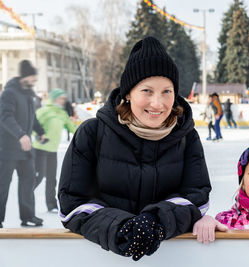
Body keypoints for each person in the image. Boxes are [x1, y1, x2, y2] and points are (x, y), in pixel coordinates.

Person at [57, 36, 212, 261]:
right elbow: (72, 205)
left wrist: (156, 221)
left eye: (167, 91)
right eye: (147, 91)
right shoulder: (92, 133)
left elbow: (197, 198)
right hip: (103, 259)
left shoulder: (187, 137)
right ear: (128, 93)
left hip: (171, 260)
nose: (158, 103)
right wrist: (121, 227)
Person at [0, 60, 47, 228]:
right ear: (25, 76)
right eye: (33, 77)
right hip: (7, 148)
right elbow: (5, 117)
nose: (35, 80)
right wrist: (20, 135)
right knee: (3, 184)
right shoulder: (9, 93)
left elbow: (31, 118)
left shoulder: (28, 94)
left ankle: (28, 216)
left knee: (28, 181)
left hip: (25, 150)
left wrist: (40, 132)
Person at [33, 89, 77, 212]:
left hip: (52, 150)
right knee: (39, 176)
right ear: (54, 99)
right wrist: (38, 135)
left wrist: (87, 131)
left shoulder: (61, 113)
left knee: (52, 178)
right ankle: (26, 197)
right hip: (40, 148)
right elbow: (32, 124)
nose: (63, 101)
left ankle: (51, 204)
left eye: (64, 98)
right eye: (60, 98)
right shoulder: (44, 110)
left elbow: (72, 127)